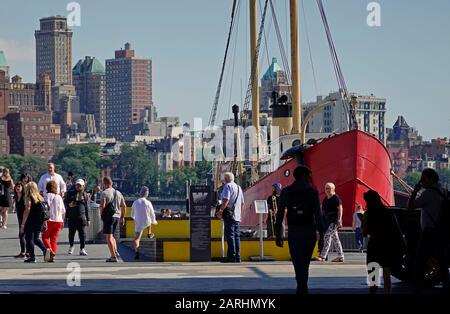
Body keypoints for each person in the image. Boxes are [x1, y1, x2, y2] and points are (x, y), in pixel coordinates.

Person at [276, 166, 323, 295]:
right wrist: (322, 235)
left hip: (294, 230)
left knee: (297, 260)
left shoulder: (286, 191)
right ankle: (303, 285)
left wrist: (278, 234)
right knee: (305, 261)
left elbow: (279, 214)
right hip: (309, 230)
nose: (310, 178)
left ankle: (300, 284)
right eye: (309, 175)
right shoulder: (312, 192)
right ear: (304, 176)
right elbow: (318, 215)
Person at [408, 168, 450, 293]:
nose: (421, 181)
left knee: (420, 260)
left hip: (429, 232)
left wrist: (415, 191)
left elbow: (410, 207)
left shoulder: (428, 194)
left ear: (431, 179)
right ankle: (446, 284)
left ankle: (418, 286)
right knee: (442, 260)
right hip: (442, 231)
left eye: (423, 178)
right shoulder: (444, 192)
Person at [363, 190, 399, 294]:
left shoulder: (368, 214)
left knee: (373, 277)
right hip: (386, 245)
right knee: (387, 275)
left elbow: (365, 232)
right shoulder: (388, 212)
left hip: (374, 245)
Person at [20, 182, 52, 263]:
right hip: (40, 221)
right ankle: (45, 250)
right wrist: (45, 223)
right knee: (36, 238)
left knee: (29, 238)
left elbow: (27, 209)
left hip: (31, 220)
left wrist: (23, 224)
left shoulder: (29, 197)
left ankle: (32, 257)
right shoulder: (40, 197)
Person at [216, 172, 244, 263]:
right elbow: (243, 203)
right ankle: (238, 256)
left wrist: (220, 211)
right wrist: (240, 213)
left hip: (229, 214)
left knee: (230, 235)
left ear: (226, 179)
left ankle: (231, 256)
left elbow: (226, 200)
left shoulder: (227, 186)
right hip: (237, 215)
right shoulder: (239, 188)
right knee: (236, 236)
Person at [315, 183, 345, 262]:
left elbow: (340, 208)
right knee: (335, 239)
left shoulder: (336, 198)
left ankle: (323, 256)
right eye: (326, 188)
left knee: (327, 236)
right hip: (327, 221)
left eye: (329, 188)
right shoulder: (326, 199)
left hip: (334, 221)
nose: (327, 190)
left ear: (333, 189)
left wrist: (339, 219)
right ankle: (341, 256)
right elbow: (322, 209)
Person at [99, 176, 126, 262]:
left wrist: (101, 214)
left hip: (109, 217)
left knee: (108, 237)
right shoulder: (118, 192)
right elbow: (124, 206)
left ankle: (113, 256)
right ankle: (116, 251)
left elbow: (102, 205)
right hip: (117, 217)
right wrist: (122, 217)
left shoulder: (104, 193)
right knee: (112, 236)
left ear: (105, 183)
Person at [64, 179, 90, 256]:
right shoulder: (70, 193)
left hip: (81, 217)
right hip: (72, 217)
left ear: (83, 186)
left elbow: (86, 207)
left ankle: (82, 248)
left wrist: (88, 219)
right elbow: (65, 203)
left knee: (82, 234)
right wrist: (69, 205)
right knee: (71, 234)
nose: (78, 186)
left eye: (80, 185)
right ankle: (71, 245)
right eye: (77, 185)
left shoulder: (84, 194)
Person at [131, 186, 157, 259]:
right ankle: (149, 233)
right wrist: (153, 221)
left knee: (137, 238)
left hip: (138, 222)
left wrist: (135, 218)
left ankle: (137, 251)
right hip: (147, 222)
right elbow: (152, 213)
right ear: (146, 194)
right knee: (149, 221)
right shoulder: (148, 202)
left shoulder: (135, 202)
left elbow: (132, 214)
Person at [42, 181, 66, 261]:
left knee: (44, 237)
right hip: (59, 220)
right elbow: (63, 211)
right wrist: (63, 221)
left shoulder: (47, 196)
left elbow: (45, 208)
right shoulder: (59, 197)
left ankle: (50, 250)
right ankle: (52, 255)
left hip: (50, 220)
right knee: (54, 239)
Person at [13, 182, 27, 258]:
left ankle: (24, 252)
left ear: (22, 188)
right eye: (16, 187)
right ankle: (24, 252)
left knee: (22, 235)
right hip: (19, 217)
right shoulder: (16, 196)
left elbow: (26, 208)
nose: (17, 188)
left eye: (19, 186)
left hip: (25, 218)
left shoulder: (24, 197)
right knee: (22, 235)